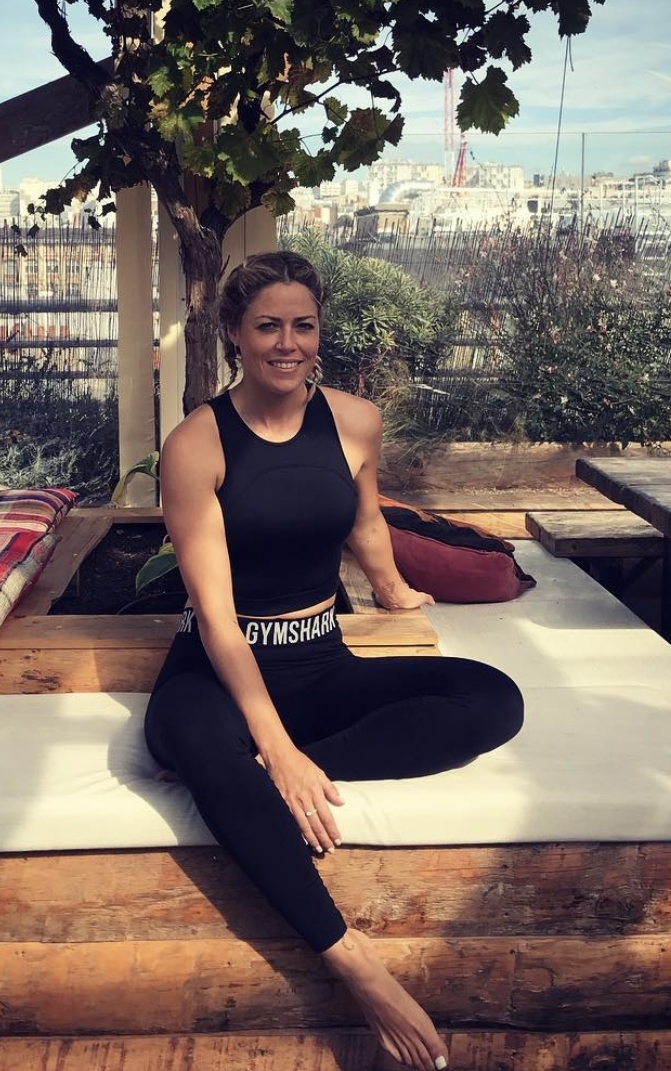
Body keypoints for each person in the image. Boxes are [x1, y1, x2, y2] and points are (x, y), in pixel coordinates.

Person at [144, 250, 524, 1071]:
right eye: (267, 326)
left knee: (493, 697)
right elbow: (216, 618)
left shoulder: (354, 421)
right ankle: (354, 962)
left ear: (319, 330)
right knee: (207, 747)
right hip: (213, 672)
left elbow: (363, 519)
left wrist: (392, 590)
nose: (287, 343)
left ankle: (259, 777)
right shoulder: (196, 444)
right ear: (234, 334)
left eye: (302, 325)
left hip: (321, 661)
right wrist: (275, 748)